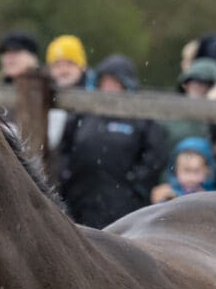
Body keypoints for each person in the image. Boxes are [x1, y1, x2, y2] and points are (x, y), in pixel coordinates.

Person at [57, 54, 168, 228]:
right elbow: (64, 150)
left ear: (126, 84)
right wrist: (66, 176)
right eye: (105, 81)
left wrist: (136, 184)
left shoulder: (142, 117)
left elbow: (155, 156)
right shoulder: (83, 114)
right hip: (81, 199)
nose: (109, 87)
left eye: (115, 82)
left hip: (123, 203)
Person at [150, 135, 216, 203]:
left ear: (207, 171)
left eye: (197, 171)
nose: (191, 177)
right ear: (176, 170)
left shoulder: (212, 195)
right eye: (186, 170)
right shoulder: (166, 192)